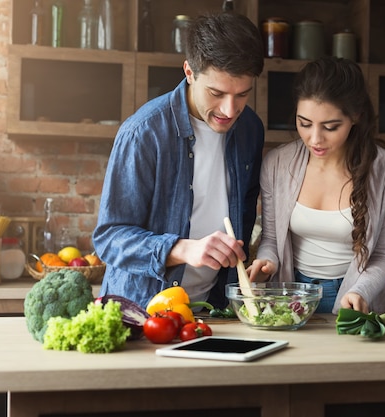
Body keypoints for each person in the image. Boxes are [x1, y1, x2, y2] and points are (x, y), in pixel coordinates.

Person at [93, 12, 265, 310]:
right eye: (216, 93)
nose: (229, 109)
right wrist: (183, 249)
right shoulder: (143, 132)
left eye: (242, 95)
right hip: (142, 312)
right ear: (189, 72)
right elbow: (110, 238)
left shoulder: (250, 128)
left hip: (213, 311)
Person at [248, 56, 385, 314]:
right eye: (304, 123)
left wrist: (359, 292)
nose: (315, 139)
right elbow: (271, 238)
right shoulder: (277, 164)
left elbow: (384, 255)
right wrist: (267, 261)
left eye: (331, 127)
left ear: (355, 116)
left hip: (353, 298)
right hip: (291, 297)